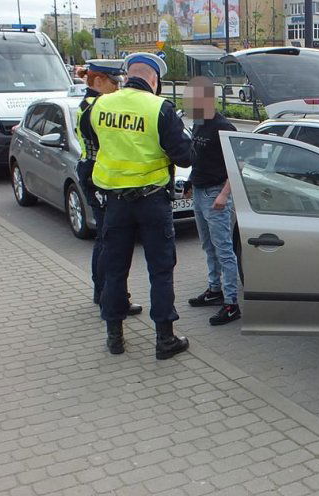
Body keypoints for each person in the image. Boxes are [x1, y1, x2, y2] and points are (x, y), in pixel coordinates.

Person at [90, 53, 192, 359]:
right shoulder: (160, 108)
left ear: (128, 75)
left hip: (115, 202)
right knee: (160, 270)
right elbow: (185, 157)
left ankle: (115, 338)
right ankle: (164, 340)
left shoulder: (100, 105)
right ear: (154, 79)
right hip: (152, 201)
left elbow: (93, 142)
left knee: (115, 268)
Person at [74, 59, 142, 317]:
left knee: (104, 237)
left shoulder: (89, 103)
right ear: (100, 81)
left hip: (91, 171)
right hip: (99, 174)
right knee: (110, 239)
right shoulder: (98, 107)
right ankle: (110, 296)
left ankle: (103, 292)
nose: (119, 87)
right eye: (116, 82)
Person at [185, 77, 241, 326]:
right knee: (208, 246)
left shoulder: (223, 126)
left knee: (224, 250)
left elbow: (237, 164)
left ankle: (231, 304)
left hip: (215, 194)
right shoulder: (198, 124)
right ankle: (214, 289)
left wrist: (224, 194)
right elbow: (196, 158)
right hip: (199, 192)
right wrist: (189, 182)